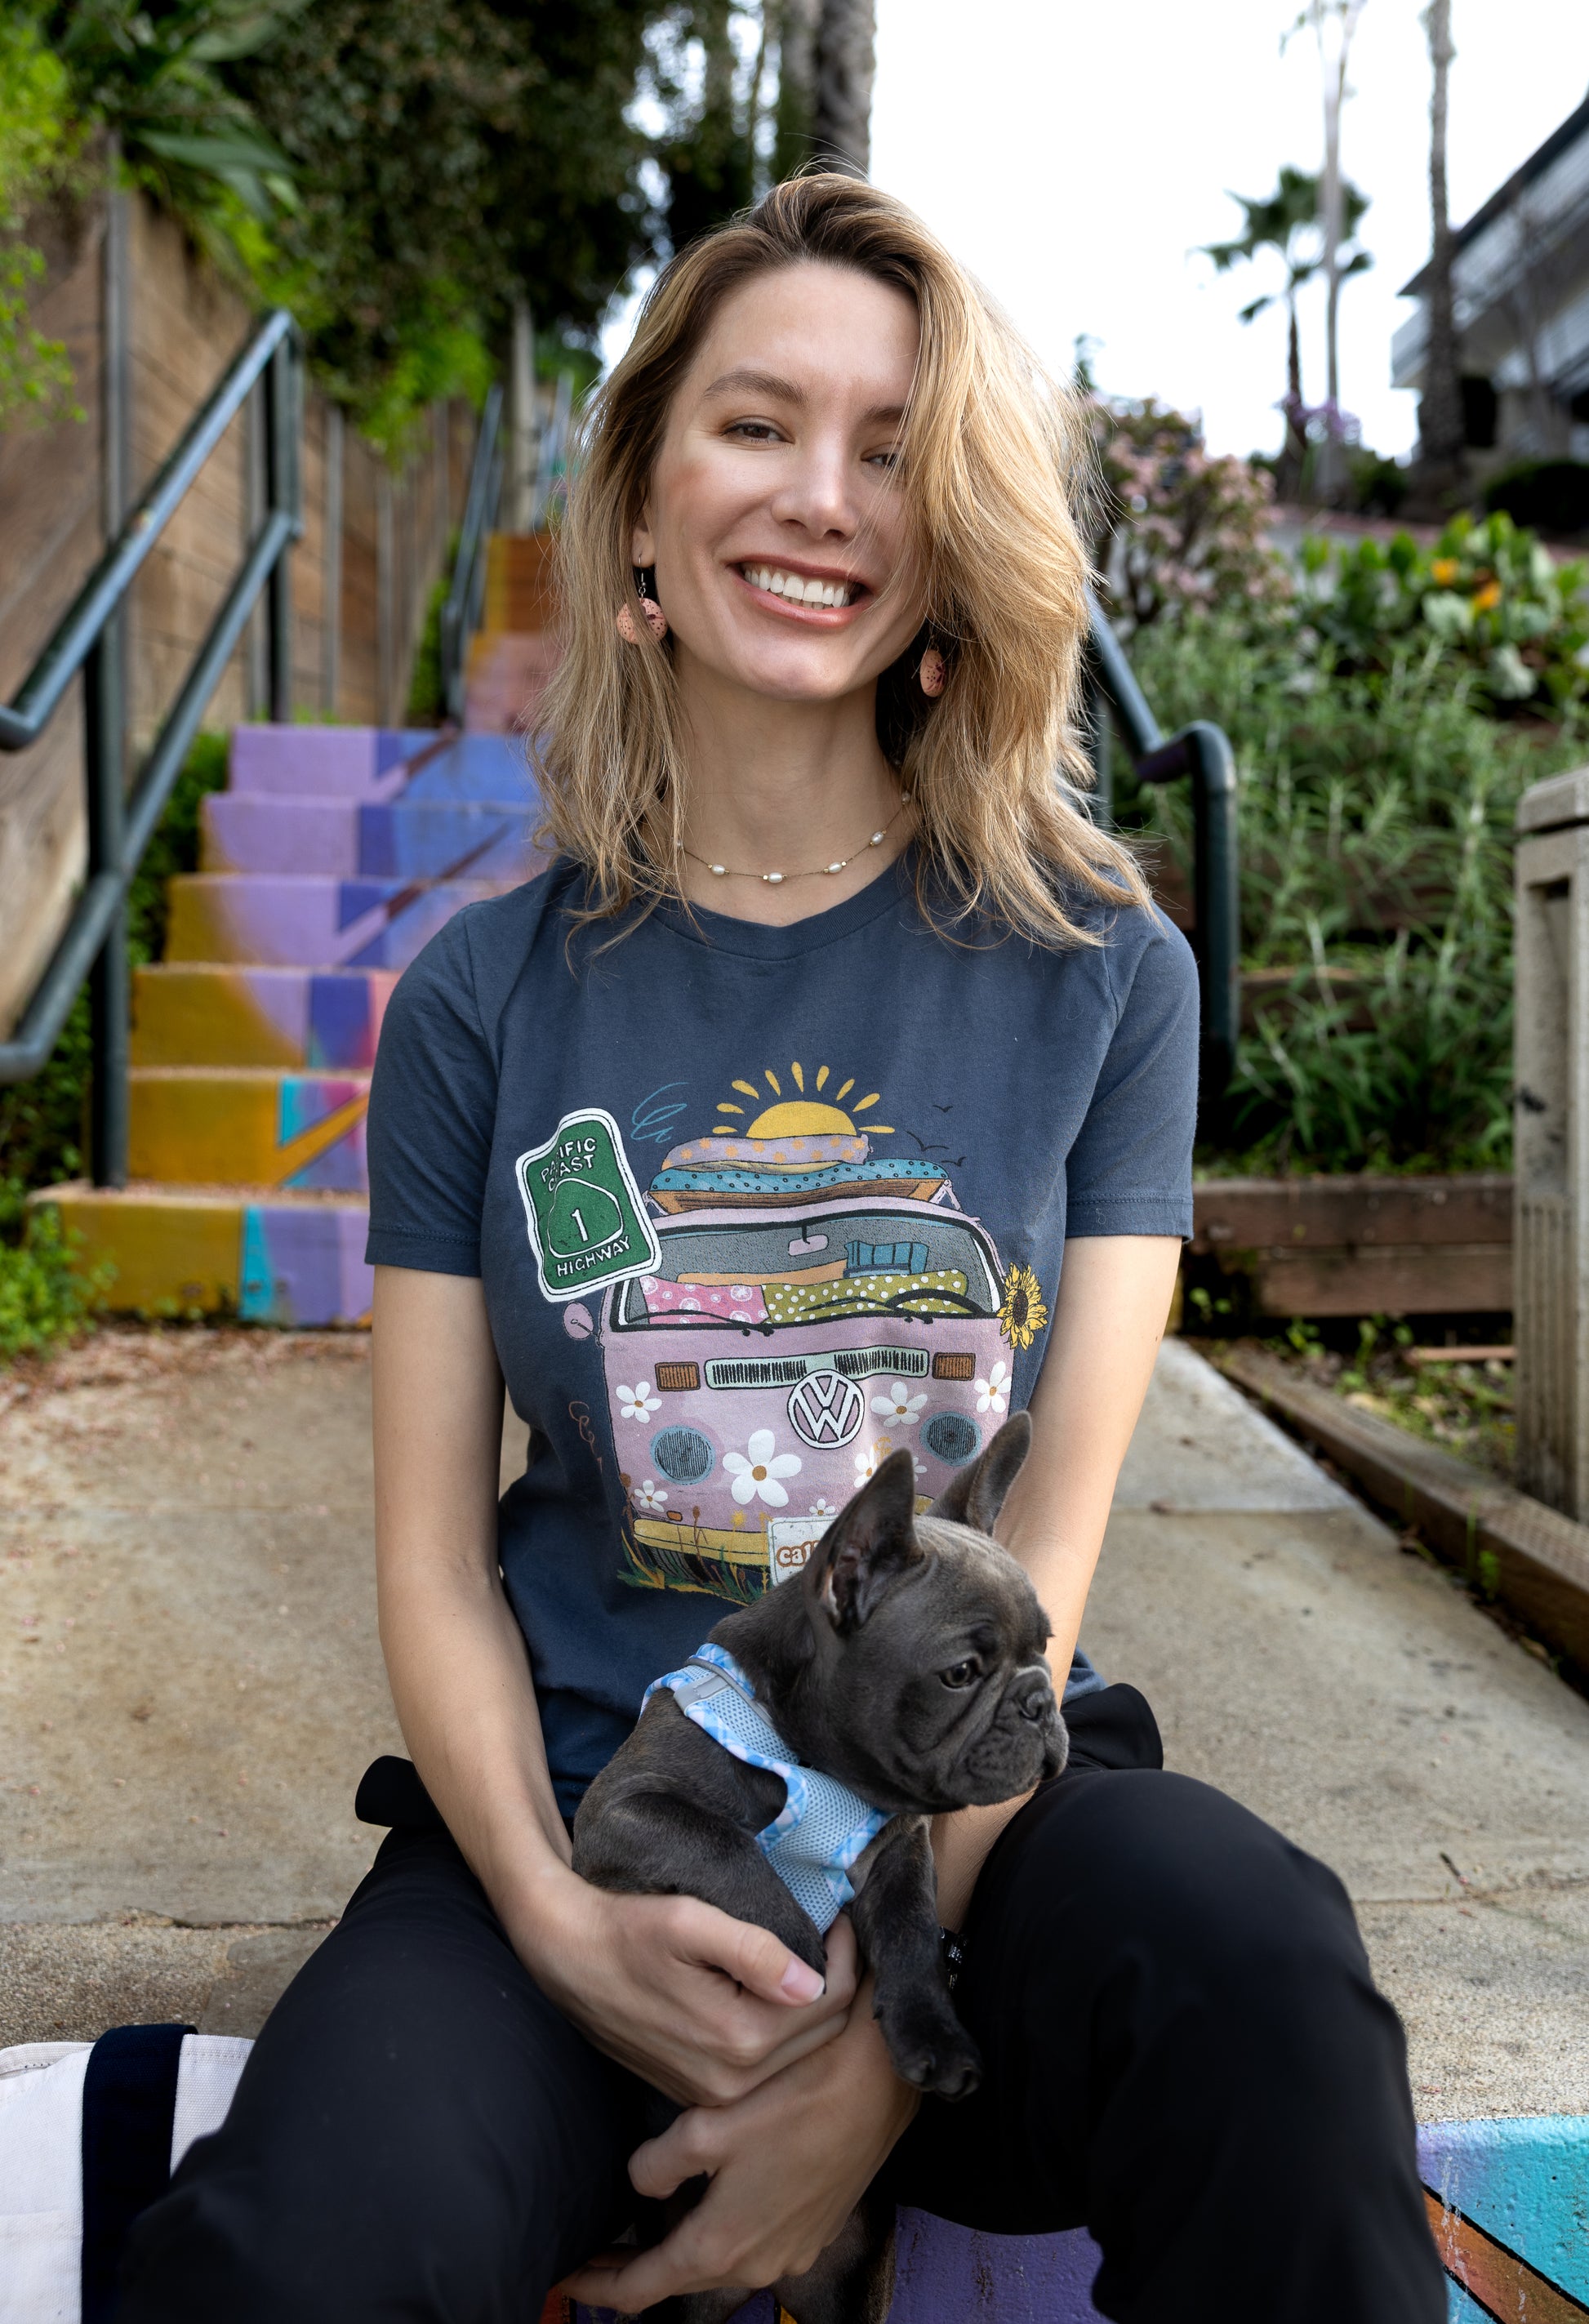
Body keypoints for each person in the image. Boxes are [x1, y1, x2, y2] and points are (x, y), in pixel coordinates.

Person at [121, 174, 1446, 2324]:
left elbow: (1047, 1568)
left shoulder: (1098, 977)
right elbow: (434, 1563)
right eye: (754, 425)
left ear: (944, 537)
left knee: (1264, 1979)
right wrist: (552, 1922)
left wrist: (879, 2053)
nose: (820, 496)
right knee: (298, 2252)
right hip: (584, 1839)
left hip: (979, 1848)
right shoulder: (480, 999)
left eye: (890, 446)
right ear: (638, 502)